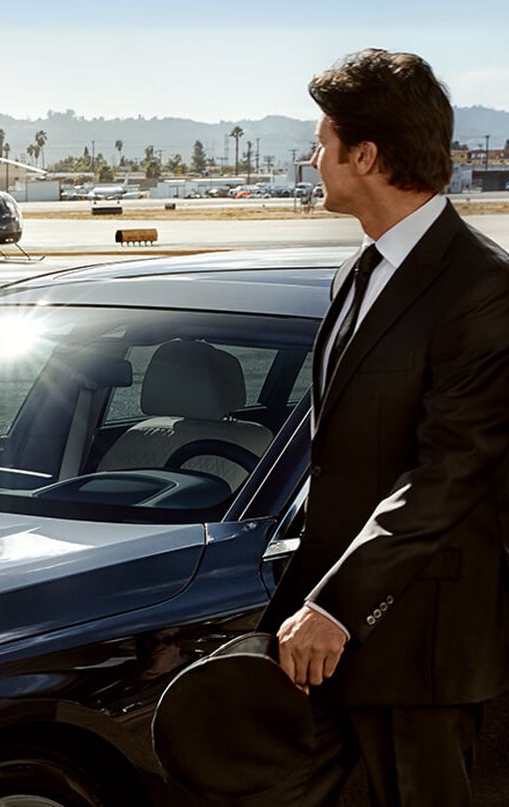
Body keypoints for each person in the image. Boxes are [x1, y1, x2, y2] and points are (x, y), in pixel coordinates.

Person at [247, 49, 509, 806]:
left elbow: (449, 472)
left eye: (321, 142)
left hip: (419, 644)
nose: (312, 158)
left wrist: (336, 603)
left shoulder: (482, 289)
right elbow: (339, 453)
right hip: (321, 636)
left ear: (364, 154)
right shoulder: (355, 272)